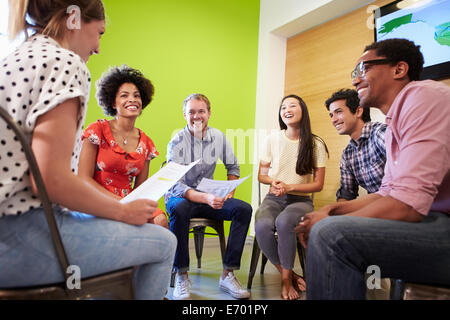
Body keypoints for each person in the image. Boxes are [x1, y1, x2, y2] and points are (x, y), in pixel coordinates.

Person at [0, 0, 176, 300]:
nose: (97, 48)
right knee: (164, 243)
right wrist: (121, 211)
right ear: (73, 18)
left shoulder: (15, 58)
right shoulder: (65, 62)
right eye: (99, 34)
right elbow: (50, 180)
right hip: (19, 237)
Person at [296, 38, 450, 299]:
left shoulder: (423, 96)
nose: (356, 80)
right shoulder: (391, 129)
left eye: (363, 69)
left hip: (438, 222)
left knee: (331, 235)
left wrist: (333, 219)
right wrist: (331, 209)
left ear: (399, 70)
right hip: (428, 219)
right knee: (324, 225)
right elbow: (386, 193)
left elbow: (407, 205)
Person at [164, 93, 252, 300]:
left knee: (243, 209)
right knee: (179, 208)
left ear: (209, 113)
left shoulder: (218, 137)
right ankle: (182, 275)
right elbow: (174, 184)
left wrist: (230, 189)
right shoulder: (177, 141)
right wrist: (206, 198)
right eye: (191, 112)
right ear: (184, 115)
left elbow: (233, 166)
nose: (196, 116)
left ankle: (228, 273)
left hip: (207, 197)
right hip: (182, 197)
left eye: (201, 111)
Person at [255, 94, 328, 300]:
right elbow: (262, 175)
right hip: (273, 198)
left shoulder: (315, 143)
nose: (287, 109)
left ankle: (286, 281)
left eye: (292, 105)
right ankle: (290, 275)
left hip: (301, 201)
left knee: (285, 221)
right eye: (283, 107)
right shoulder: (272, 139)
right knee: (261, 225)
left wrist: (290, 187)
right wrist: (273, 182)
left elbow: (318, 184)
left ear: (302, 110)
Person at [78, 65, 168, 228]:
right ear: (113, 102)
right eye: (124, 95)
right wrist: (122, 203)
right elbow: (83, 179)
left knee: (160, 220)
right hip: (97, 198)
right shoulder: (96, 131)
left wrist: (138, 204)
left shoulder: (147, 143)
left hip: (130, 201)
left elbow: (141, 189)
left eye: (136, 96)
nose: (132, 99)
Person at [325, 88, 390, 299]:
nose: (334, 119)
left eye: (338, 112)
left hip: (398, 208)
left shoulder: (380, 133)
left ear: (359, 111)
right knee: (328, 229)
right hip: (376, 209)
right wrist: (333, 217)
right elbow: (346, 193)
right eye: (331, 115)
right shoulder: (348, 153)